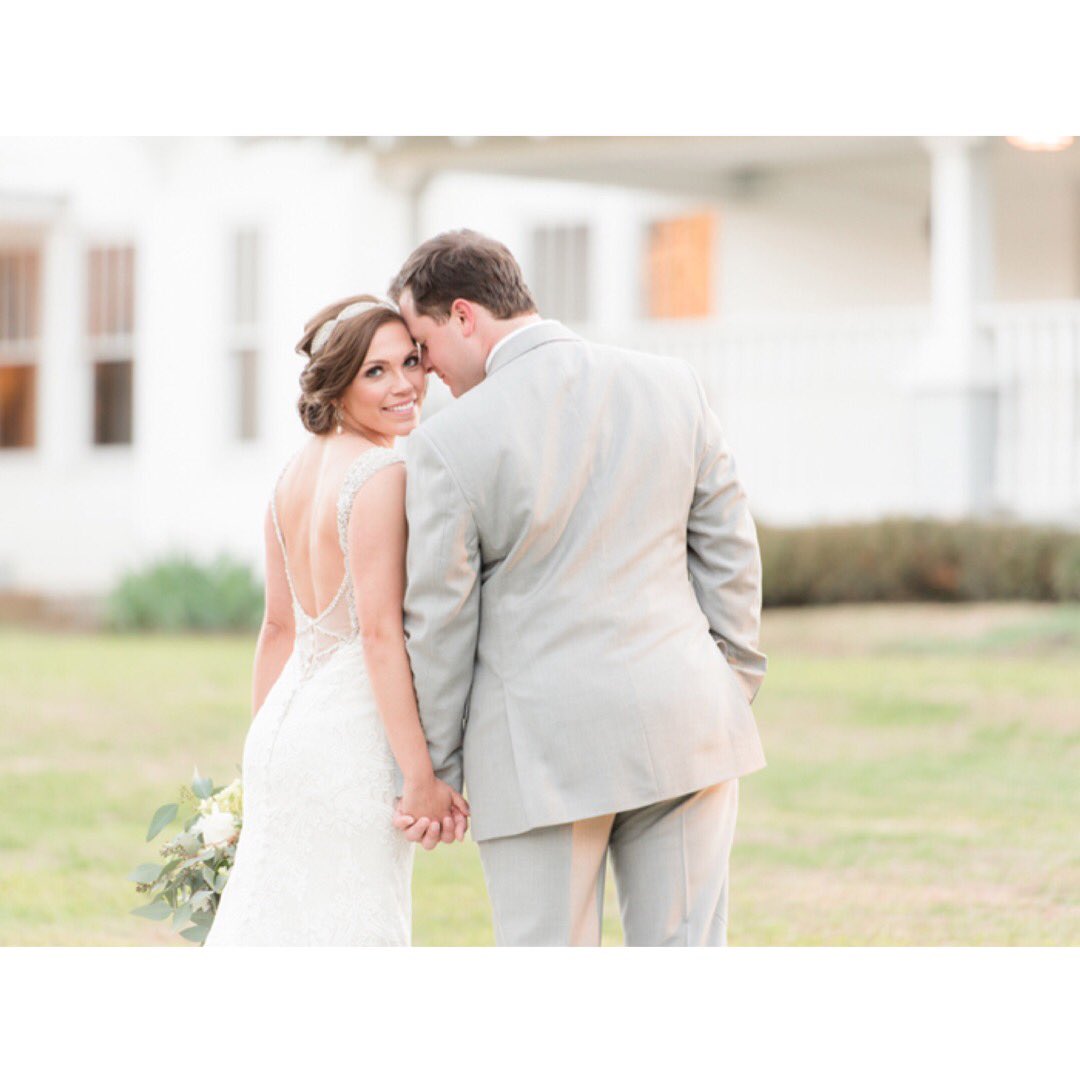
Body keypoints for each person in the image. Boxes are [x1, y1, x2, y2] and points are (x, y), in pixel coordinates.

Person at [391, 231, 767, 946]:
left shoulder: (448, 441)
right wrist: (732, 675)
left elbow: (439, 621)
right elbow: (729, 544)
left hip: (540, 751)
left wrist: (437, 766)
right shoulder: (670, 383)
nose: (423, 368)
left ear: (464, 316)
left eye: (424, 342)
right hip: (685, 716)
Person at [206, 295, 468, 947]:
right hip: (348, 742)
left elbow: (279, 630)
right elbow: (379, 636)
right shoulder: (382, 473)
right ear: (338, 381)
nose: (405, 384)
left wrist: (260, 759)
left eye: (410, 362)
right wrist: (420, 780)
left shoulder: (288, 477)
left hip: (281, 732)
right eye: (375, 372)